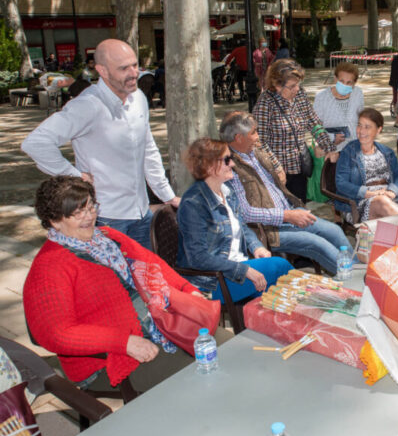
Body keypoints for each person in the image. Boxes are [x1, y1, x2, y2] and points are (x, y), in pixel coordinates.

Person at [23, 176, 224, 393]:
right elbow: (56, 333)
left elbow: (154, 264)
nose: (89, 217)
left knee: (228, 347)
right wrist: (124, 342)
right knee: (203, 379)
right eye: (77, 212)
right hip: (111, 359)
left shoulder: (109, 237)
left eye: (91, 207)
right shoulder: (49, 267)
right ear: (54, 220)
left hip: (162, 326)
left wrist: (188, 290)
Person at [21, 39, 179, 250]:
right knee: (112, 282)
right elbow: (35, 143)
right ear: (102, 71)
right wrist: (75, 176)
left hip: (140, 213)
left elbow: (148, 149)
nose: (133, 73)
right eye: (124, 68)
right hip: (106, 217)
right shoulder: (87, 105)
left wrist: (167, 196)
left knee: (143, 278)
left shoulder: (138, 98)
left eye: (134, 65)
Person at [221, 111, 350, 275]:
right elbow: (245, 213)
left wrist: (291, 212)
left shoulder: (254, 152)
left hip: (289, 214)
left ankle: (361, 274)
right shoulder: (228, 166)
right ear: (239, 138)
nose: (257, 136)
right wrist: (286, 216)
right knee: (317, 243)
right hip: (267, 230)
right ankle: (352, 278)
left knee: (334, 231)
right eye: (253, 132)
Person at [176, 138, 293, 303]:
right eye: (227, 159)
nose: (232, 164)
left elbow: (241, 226)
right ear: (209, 166)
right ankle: (315, 301)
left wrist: (257, 247)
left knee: (275, 294)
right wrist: (244, 270)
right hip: (212, 283)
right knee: (280, 267)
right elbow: (198, 257)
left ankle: (270, 324)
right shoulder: (193, 203)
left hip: (235, 271)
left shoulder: (227, 191)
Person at [254, 59, 337, 202]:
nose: (297, 89)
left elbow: (313, 122)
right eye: (292, 86)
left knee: (300, 206)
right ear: (277, 85)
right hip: (278, 171)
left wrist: (329, 147)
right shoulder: (265, 103)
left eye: (298, 84)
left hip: (299, 167)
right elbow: (260, 141)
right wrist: (276, 167)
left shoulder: (300, 95)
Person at [336, 108, 398, 222]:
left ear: (378, 130)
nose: (361, 131)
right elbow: (341, 183)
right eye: (359, 125)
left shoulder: (386, 152)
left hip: (388, 198)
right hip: (359, 204)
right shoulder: (349, 152)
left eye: (367, 127)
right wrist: (368, 193)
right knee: (382, 202)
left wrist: (392, 191)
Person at [313, 62, 365, 152]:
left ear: (354, 83)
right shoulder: (322, 97)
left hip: (355, 149)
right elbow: (314, 127)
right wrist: (332, 137)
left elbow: (362, 118)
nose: (345, 85)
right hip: (332, 151)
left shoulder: (357, 93)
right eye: (341, 81)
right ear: (335, 78)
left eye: (349, 82)